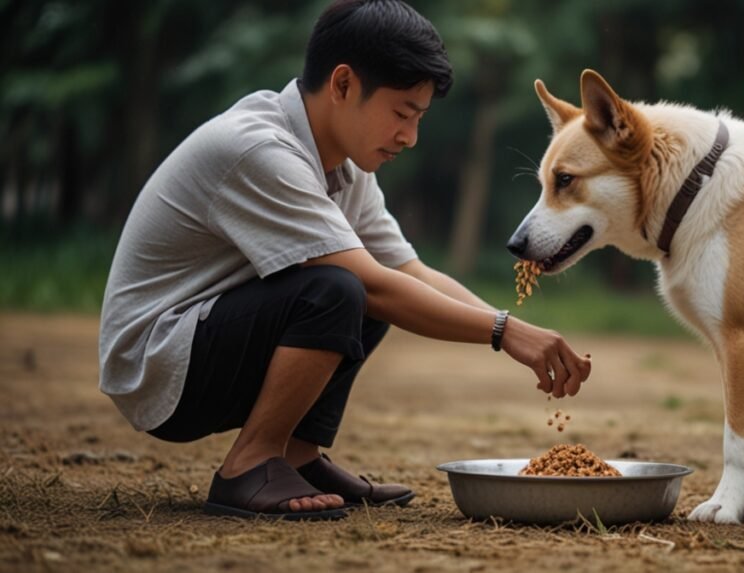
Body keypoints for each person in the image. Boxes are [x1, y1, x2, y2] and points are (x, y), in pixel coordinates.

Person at [98, 0, 591, 521]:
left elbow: (409, 273)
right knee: (340, 290)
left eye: (419, 118)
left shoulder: (346, 168)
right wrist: (505, 333)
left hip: (207, 341)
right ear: (342, 85)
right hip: (157, 362)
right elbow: (372, 286)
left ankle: (297, 455)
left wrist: (514, 326)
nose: (410, 136)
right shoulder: (259, 151)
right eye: (403, 113)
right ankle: (251, 462)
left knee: (358, 289)